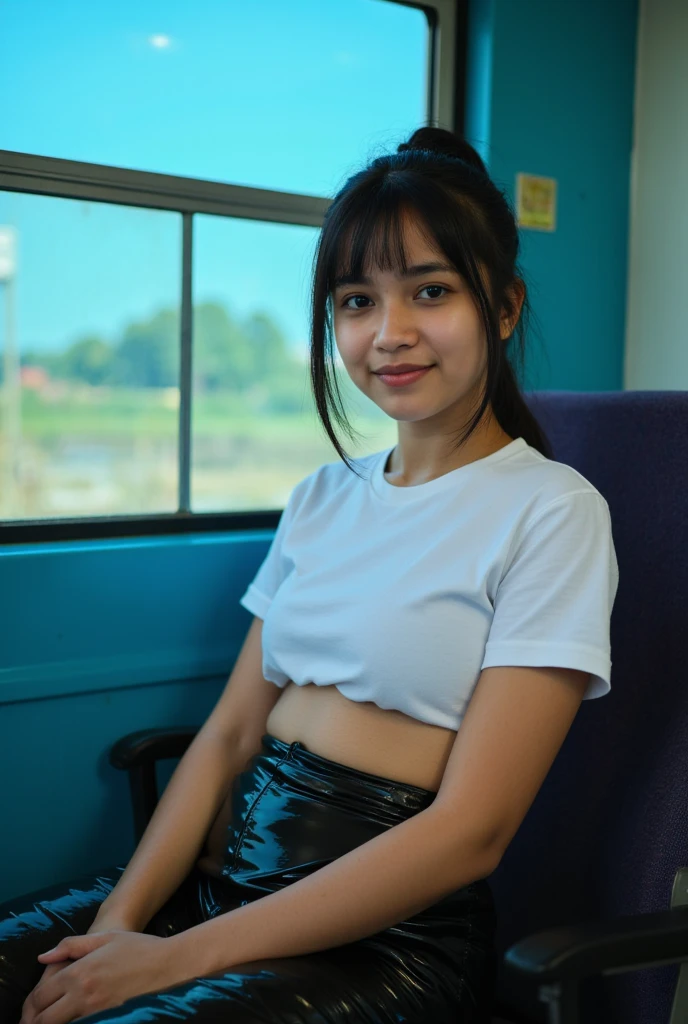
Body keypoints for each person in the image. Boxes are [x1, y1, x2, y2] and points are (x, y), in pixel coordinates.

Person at [0, 126, 618, 1024]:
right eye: (356, 301)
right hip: (215, 897)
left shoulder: (553, 511)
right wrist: (118, 929)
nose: (389, 334)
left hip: (388, 945)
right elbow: (227, 739)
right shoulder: (323, 495)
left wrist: (169, 963)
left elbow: (470, 833)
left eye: (431, 292)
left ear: (506, 306)